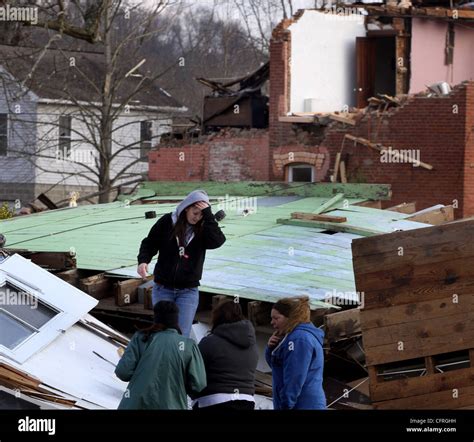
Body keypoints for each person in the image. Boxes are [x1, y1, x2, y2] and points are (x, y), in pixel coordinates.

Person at [137, 190, 226, 337]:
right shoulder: (167, 222)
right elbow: (149, 243)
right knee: (161, 332)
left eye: (201, 214)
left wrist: (209, 216)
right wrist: (143, 261)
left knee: (181, 334)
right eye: (195, 213)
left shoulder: (205, 228)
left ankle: (177, 359)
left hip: (188, 291)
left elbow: (218, 241)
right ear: (186, 208)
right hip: (162, 288)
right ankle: (161, 360)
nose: (197, 218)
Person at [115, 300, 206, 409]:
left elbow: (123, 372)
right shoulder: (188, 345)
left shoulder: (140, 338)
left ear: (155, 318)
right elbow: (198, 384)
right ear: (176, 319)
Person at [192, 300, 259, 410]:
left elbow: (195, 373)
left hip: (213, 400)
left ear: (217, 317)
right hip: (247, 401)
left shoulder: (209, 342)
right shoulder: (252, 346)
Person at [265, 296, 326, 410]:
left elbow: (295, 377)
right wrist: (271, 348)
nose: (272, 322)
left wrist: (286, 405)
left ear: (290, 318)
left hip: (302, 404)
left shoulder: (298, 339)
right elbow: (278, 368)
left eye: (276, 318)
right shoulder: (296, 337)